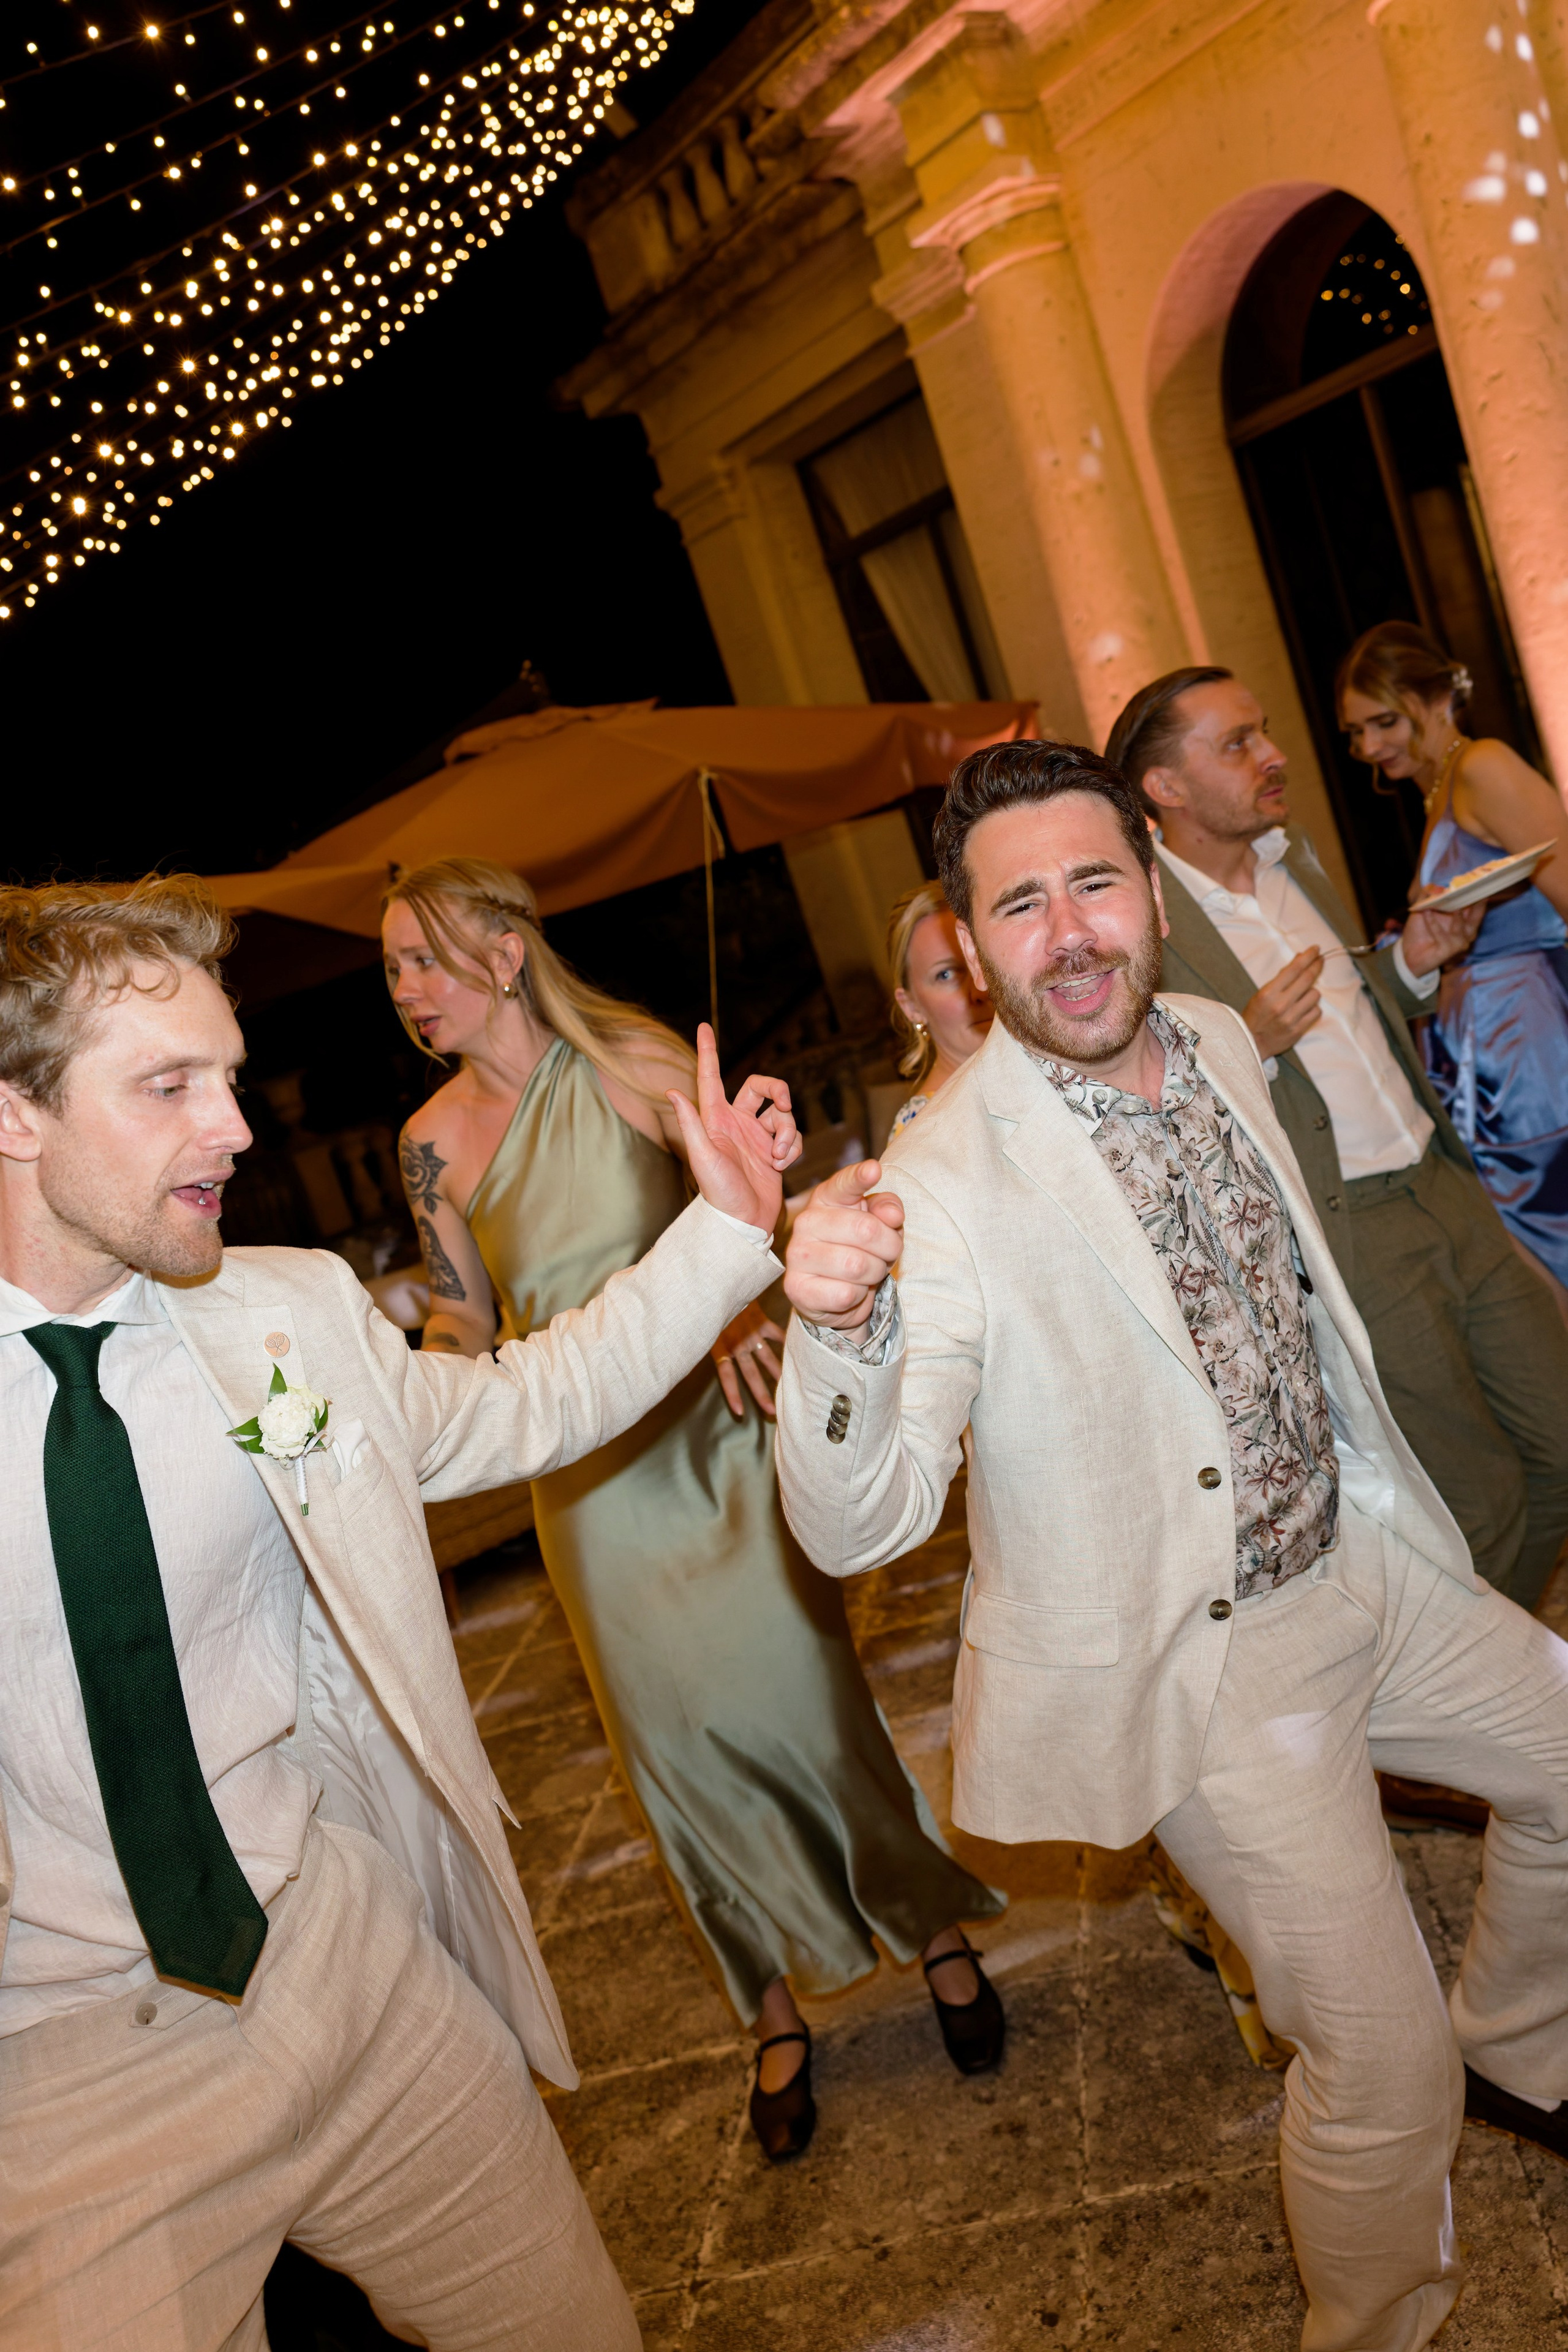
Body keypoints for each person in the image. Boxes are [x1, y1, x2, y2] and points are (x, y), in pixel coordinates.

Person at [774, 739, 1568, 2352]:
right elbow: (857, 1518)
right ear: (970, 940)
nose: (1067, 933)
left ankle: (1521, 2033)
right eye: (1018, 906)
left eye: (1091, 883)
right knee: (1376, 2063)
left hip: (1370, 1558)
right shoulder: (942, 1181)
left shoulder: (1213, 1036)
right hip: (1210, 1663)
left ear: (1146, 879)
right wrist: (835, 1332)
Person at [0, 873, 805, 2350]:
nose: (236, 1129)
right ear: (14, 1112)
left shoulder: (284, 1318)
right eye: (169, 1084)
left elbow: (528, 1396)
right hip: (56, 2076)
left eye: (230, 1079)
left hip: (345, 1968)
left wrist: (720, 1233)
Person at [382, 858, 1005, 2166]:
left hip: (711, 1435)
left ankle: (929, 1928)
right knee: (667, 1750)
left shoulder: (629, 1063)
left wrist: (730, 1309)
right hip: (586, 1483)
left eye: (424, 957)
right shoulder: (427, 1143)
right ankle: (767, 2011)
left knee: (809, 1701)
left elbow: (747, 1204)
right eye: (391, 968)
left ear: (504, 951)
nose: (405, 989)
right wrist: (404, 1372)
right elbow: (466, 1320)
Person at [1102, 665, 1568, 1613]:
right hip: (1353, 1232)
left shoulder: (1290, 859)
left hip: (1443, 1184)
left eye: (1264, 730)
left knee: (1562, 1446)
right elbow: (1135, 1107)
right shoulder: (1144, 923)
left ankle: (1478, 1693)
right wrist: (1245, 1042)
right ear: (1166, 786)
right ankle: (1469, 1722)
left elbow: (1349, 1013)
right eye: (1238, 743)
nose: (1275, 755)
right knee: (1480, 1501)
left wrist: (1408, 964)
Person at [1338, 619, 1568, 1300]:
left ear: (1437, 698)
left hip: (1530, 1050)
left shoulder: (1483, 765)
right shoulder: (1438, 785)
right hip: (1483, 1056)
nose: (1368, 747)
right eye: (1354, 733)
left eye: (1383, 722)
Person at [885, 881, 993, 1140]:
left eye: (982, 960)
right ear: (911, 1007)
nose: (979, 990)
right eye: (945, 974)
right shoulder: (924, 1132)